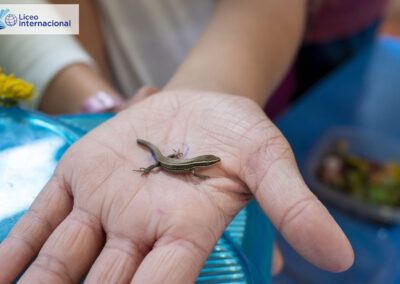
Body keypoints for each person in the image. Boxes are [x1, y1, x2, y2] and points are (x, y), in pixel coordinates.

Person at [3, 0, 394, 282]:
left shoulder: (193, 164)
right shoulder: (187, 167)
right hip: (110, 90)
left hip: (225, 69)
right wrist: (97, 102)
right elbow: (16, 14)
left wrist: (210, 91)